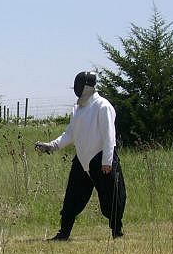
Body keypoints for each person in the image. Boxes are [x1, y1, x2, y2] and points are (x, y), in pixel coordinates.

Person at [35, 71, 126, 241]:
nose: (76, 89)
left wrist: (107, 161)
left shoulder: (103, 106)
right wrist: (52, 145)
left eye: (79, 85)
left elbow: (109, 136)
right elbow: (70, 134)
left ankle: (117, 232)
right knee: (72, 197)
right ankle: (64, 233)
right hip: (82, 160)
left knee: (112, 197)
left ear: (87, 87)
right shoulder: (77, 109)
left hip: (101, 159)